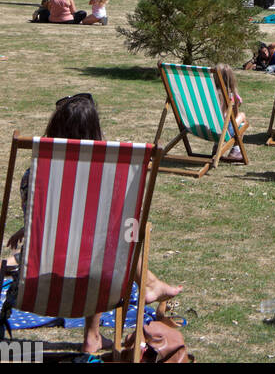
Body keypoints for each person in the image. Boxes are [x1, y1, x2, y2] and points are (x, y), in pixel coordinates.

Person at [3, 94, 181, 354]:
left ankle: (151, 286)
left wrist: (26, 229)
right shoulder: (110, 178)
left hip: (37, 286)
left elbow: (45, 220)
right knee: (118, 239)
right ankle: (93, 335)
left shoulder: (34, 177)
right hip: (95, 286)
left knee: (87, 246)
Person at [215, 64, 247, 161]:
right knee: (242, 116)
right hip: (223, 131)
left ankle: (216, 147)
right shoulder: (231, 95)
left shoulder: (208, 92)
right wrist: (236, 105)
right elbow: (235, 116)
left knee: (220, 120)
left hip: (208, 128)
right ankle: (236, 150)